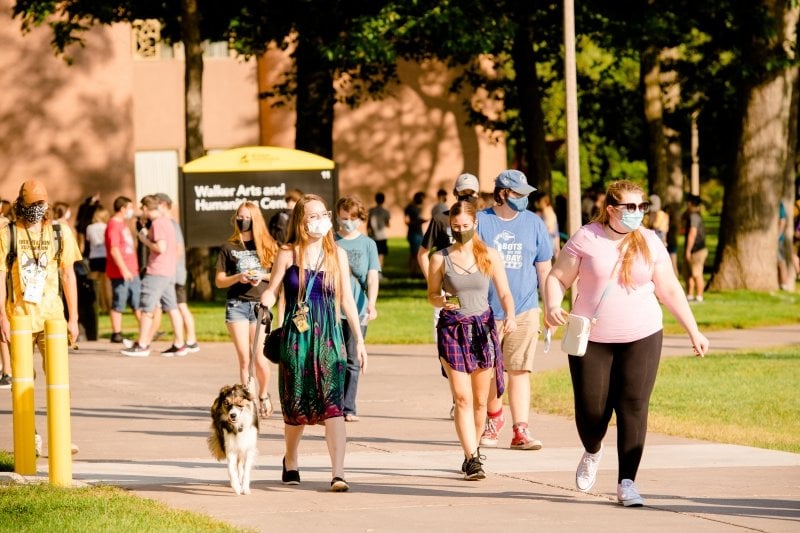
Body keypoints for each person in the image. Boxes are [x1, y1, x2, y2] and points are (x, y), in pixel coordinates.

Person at [544, 179, 709, 507]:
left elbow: (671, 289)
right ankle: (593, 449)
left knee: (633, 406)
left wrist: (694, 330)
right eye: (629, 207)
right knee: (592, 413)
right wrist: (551, 305)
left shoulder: (649, 241)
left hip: (643, 334)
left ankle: (627, 482)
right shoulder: (586, 238)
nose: (637, 213)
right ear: (610, 209)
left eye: (641, 207)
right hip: (592, 338)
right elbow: (557, 277)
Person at [259, 194, 367, 492]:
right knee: (296, 407)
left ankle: (338, 472)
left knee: (333, 405)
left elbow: (346, 299)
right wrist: (265, 302)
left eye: (324, 213)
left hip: (328, 339)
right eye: (314, 215)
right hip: (297, 338)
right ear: (301, 222)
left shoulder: (337, 255)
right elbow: (273, 289)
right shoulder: (288, 253)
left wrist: (358, 340)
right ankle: (291, 459)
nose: (322, 219)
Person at [427, 200, 516, 480]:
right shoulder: (439, 258)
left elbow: (504, 292)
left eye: (466, 226)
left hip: (482, 329)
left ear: (475, 224)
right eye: (456, 227)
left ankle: (473, 450)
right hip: (453, 329)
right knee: (462, 398)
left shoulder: (489, 255)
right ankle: (472, 458)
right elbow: (431, 294)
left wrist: (510, 315)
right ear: (450, 227)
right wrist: (440, 300)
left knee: (480, 401)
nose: (461, 230)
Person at [0, 179, 82, 454]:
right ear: (21, 204)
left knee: (59, 379)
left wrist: (73, 319)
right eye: (31, 203)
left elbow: (68, 275)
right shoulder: (8, 234)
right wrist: (1, 315)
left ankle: (62, 435)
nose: (37, 208)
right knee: (22, 381)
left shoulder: (60, 232)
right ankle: (30, 435)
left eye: (41, 203)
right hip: (19, 319)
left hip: (53, 319)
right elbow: (0, 277)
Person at [477, 169, 552, 451]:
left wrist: (548, 306)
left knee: (519, 370)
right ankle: (493, 417)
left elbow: (544, 268)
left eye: (525, 194)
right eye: (518, 194)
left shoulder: (534, 223)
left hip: (524, 308)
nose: (524, 199)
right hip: (485, 311)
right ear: (502, 193)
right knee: (489, 370)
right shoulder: (481, 222)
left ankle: (521, 429)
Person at [417, 172, 481, 418]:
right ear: (455, 193)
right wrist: (434, 281)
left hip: (477, 294)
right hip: (449, 294)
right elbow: (423, 253)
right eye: (463, 193)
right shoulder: (441, 219)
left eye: (471, 193)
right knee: (450, 347)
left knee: (479, 349)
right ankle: (459, 397)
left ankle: (476, 400)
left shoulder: (482, 220)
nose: (467, 196)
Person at [215, 201, 277, 418]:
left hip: (260, 305)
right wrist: (238, 277)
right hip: (237, 305)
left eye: (247, 217)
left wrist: (262, 276)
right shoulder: (229, 247)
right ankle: (247, 403)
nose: (243, 221)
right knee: (244, 358)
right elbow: (220, 280)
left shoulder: (268, 244)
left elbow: (278, 276)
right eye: (239, 217)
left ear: (255, 219)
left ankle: (263, 393)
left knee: (259, 357)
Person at [120, 195, 187, 357]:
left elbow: (160, 247)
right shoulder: (167, 222)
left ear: (145, 208)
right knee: (172, 308)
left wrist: (144, 239)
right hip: (169, 271)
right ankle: (179, 343)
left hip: (156, 271)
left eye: (141, 209)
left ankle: (142, 345)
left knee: (147, 308)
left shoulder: (157, 223)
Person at [334, 195, 380, 422]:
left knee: (352, 359)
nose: (348, 222)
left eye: (352, 218)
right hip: (333, 310)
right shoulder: (331, 241)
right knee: (333, 359)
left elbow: (372, 277)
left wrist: (372, 303)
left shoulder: (368, 244)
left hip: (358, 308)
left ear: (360, 218)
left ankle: (348, 406)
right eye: (344, 218)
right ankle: (331, 405)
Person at [155, 193, 199, 353]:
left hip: (173, 273)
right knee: (181, 306)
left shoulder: (171, 224)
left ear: (164, 204)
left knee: (178, 306)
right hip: (175, 271)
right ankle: (191, 340)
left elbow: (178, 248)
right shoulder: (171, 223)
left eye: (156, 204)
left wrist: (170, 268)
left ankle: (187, 341)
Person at [105, 196, 141, 344]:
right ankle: (116, 333)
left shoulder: (123, 224)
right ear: (122, 209)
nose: (131, 211)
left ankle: (147, 329)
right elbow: (114, 250)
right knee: (119, 303)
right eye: (130, 208)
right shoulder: (113, 225)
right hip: (121, 273)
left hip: (133, 271)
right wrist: (124, 269)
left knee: (137, 302)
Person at [85, 206, 111, 314]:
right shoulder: (107, 226)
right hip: (105, 256)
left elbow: (88, 239)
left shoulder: (89, 227)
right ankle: (108, 307)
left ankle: (96, 306)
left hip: (94, 257)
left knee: (95, 284)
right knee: (107, 285)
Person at [682, 194, 707, 302]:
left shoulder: (694, 216)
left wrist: (688, 250)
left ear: (691, 203)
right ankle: (690, 295)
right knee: (689, 273)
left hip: (697, 249)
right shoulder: (694, 215)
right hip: (694, 249)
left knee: (696, 273)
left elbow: (692, 233)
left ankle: (699, 296)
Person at [532, 191, 561, 259]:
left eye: (538, 201)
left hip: (548, 240)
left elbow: (549, 229)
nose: (536, 204)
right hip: (551, 239)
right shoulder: (546, 210)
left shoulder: (547, 211)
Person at [404, 191, 426, 277]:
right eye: (422, 198)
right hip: (413, 234)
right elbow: (406, 221)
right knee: (415, 254)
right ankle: (413, 272)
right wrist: (418, 221)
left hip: (419, 233)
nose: (423, 201)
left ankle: (415, 271)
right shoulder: (410, 208)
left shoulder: (418, 208)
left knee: (417, 253)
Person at [367, 192, 391, 269]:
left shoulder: (371, 210)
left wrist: (369, 232)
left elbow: (368, 224)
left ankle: (373, 270)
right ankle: (379, 273)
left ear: (375, 199)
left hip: (372, 236)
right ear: (384, 200)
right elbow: (387, 224)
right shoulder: (386, 212)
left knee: (372, 255)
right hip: (382, 236)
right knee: (381, 255)